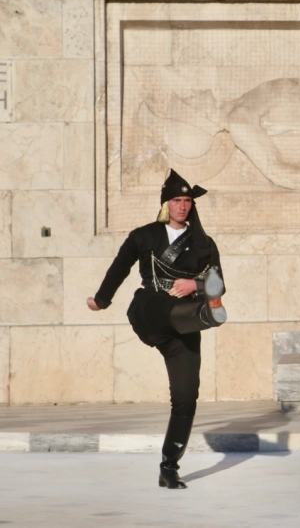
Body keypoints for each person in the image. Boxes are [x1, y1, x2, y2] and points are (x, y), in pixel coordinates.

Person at [86, 169, 227, 489]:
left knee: (186, 397)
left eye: (187, 201)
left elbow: (220, 283)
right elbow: (119, 267)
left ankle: (169, 466)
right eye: (177, 200)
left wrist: (197, 283)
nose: (182, 206)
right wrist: (101, 300)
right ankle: (206, 314)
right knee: (168, 306)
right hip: (149, 309)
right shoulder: (144, 235)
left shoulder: (204, 243)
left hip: (184, 323)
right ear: (166, 203)